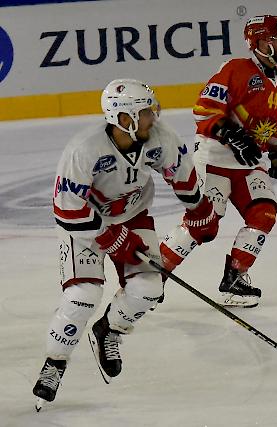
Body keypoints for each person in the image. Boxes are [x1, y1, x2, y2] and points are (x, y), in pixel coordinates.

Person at [32, 79, 218, 409]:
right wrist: (110, 238)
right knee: (82, 296)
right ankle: (55, 364)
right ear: (124, 118)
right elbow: (66, 209)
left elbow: (184, 177)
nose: (153, 117)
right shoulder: (84, 149)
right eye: (146, 112)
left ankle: (109, 329)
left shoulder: (160, 137)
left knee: (149, 288)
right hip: (85, 226)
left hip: (133, 217)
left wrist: (202, 212)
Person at [159, 15, 277, 308]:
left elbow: (273, 122)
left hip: (248, 163)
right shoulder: (236, 70)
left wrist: (276, 150)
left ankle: (235, 277)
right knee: (203, 224)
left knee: (264, 214)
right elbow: (204, 110)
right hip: (214, 159)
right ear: (261, 42)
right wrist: (231, 134)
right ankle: (151, 276)